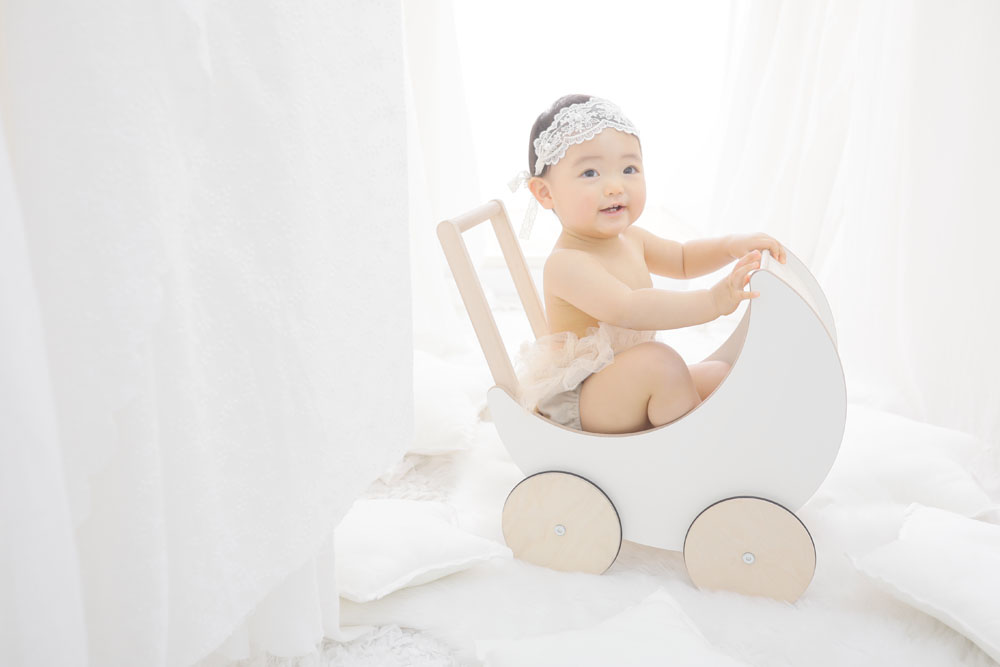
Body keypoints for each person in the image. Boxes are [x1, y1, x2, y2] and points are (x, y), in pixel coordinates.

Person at [510, 94, 786, 435]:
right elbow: (629, 308)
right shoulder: (567, 263)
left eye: (629, 169)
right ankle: (693, 447)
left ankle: (734, 435)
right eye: (590, 173)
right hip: (581, 400)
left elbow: (683, 259)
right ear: (545, 193)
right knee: (661, 364)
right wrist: (712, 302)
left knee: (717, 374)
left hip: (624, 383)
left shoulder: (631, 238)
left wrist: (730, 246)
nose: (615, 187)